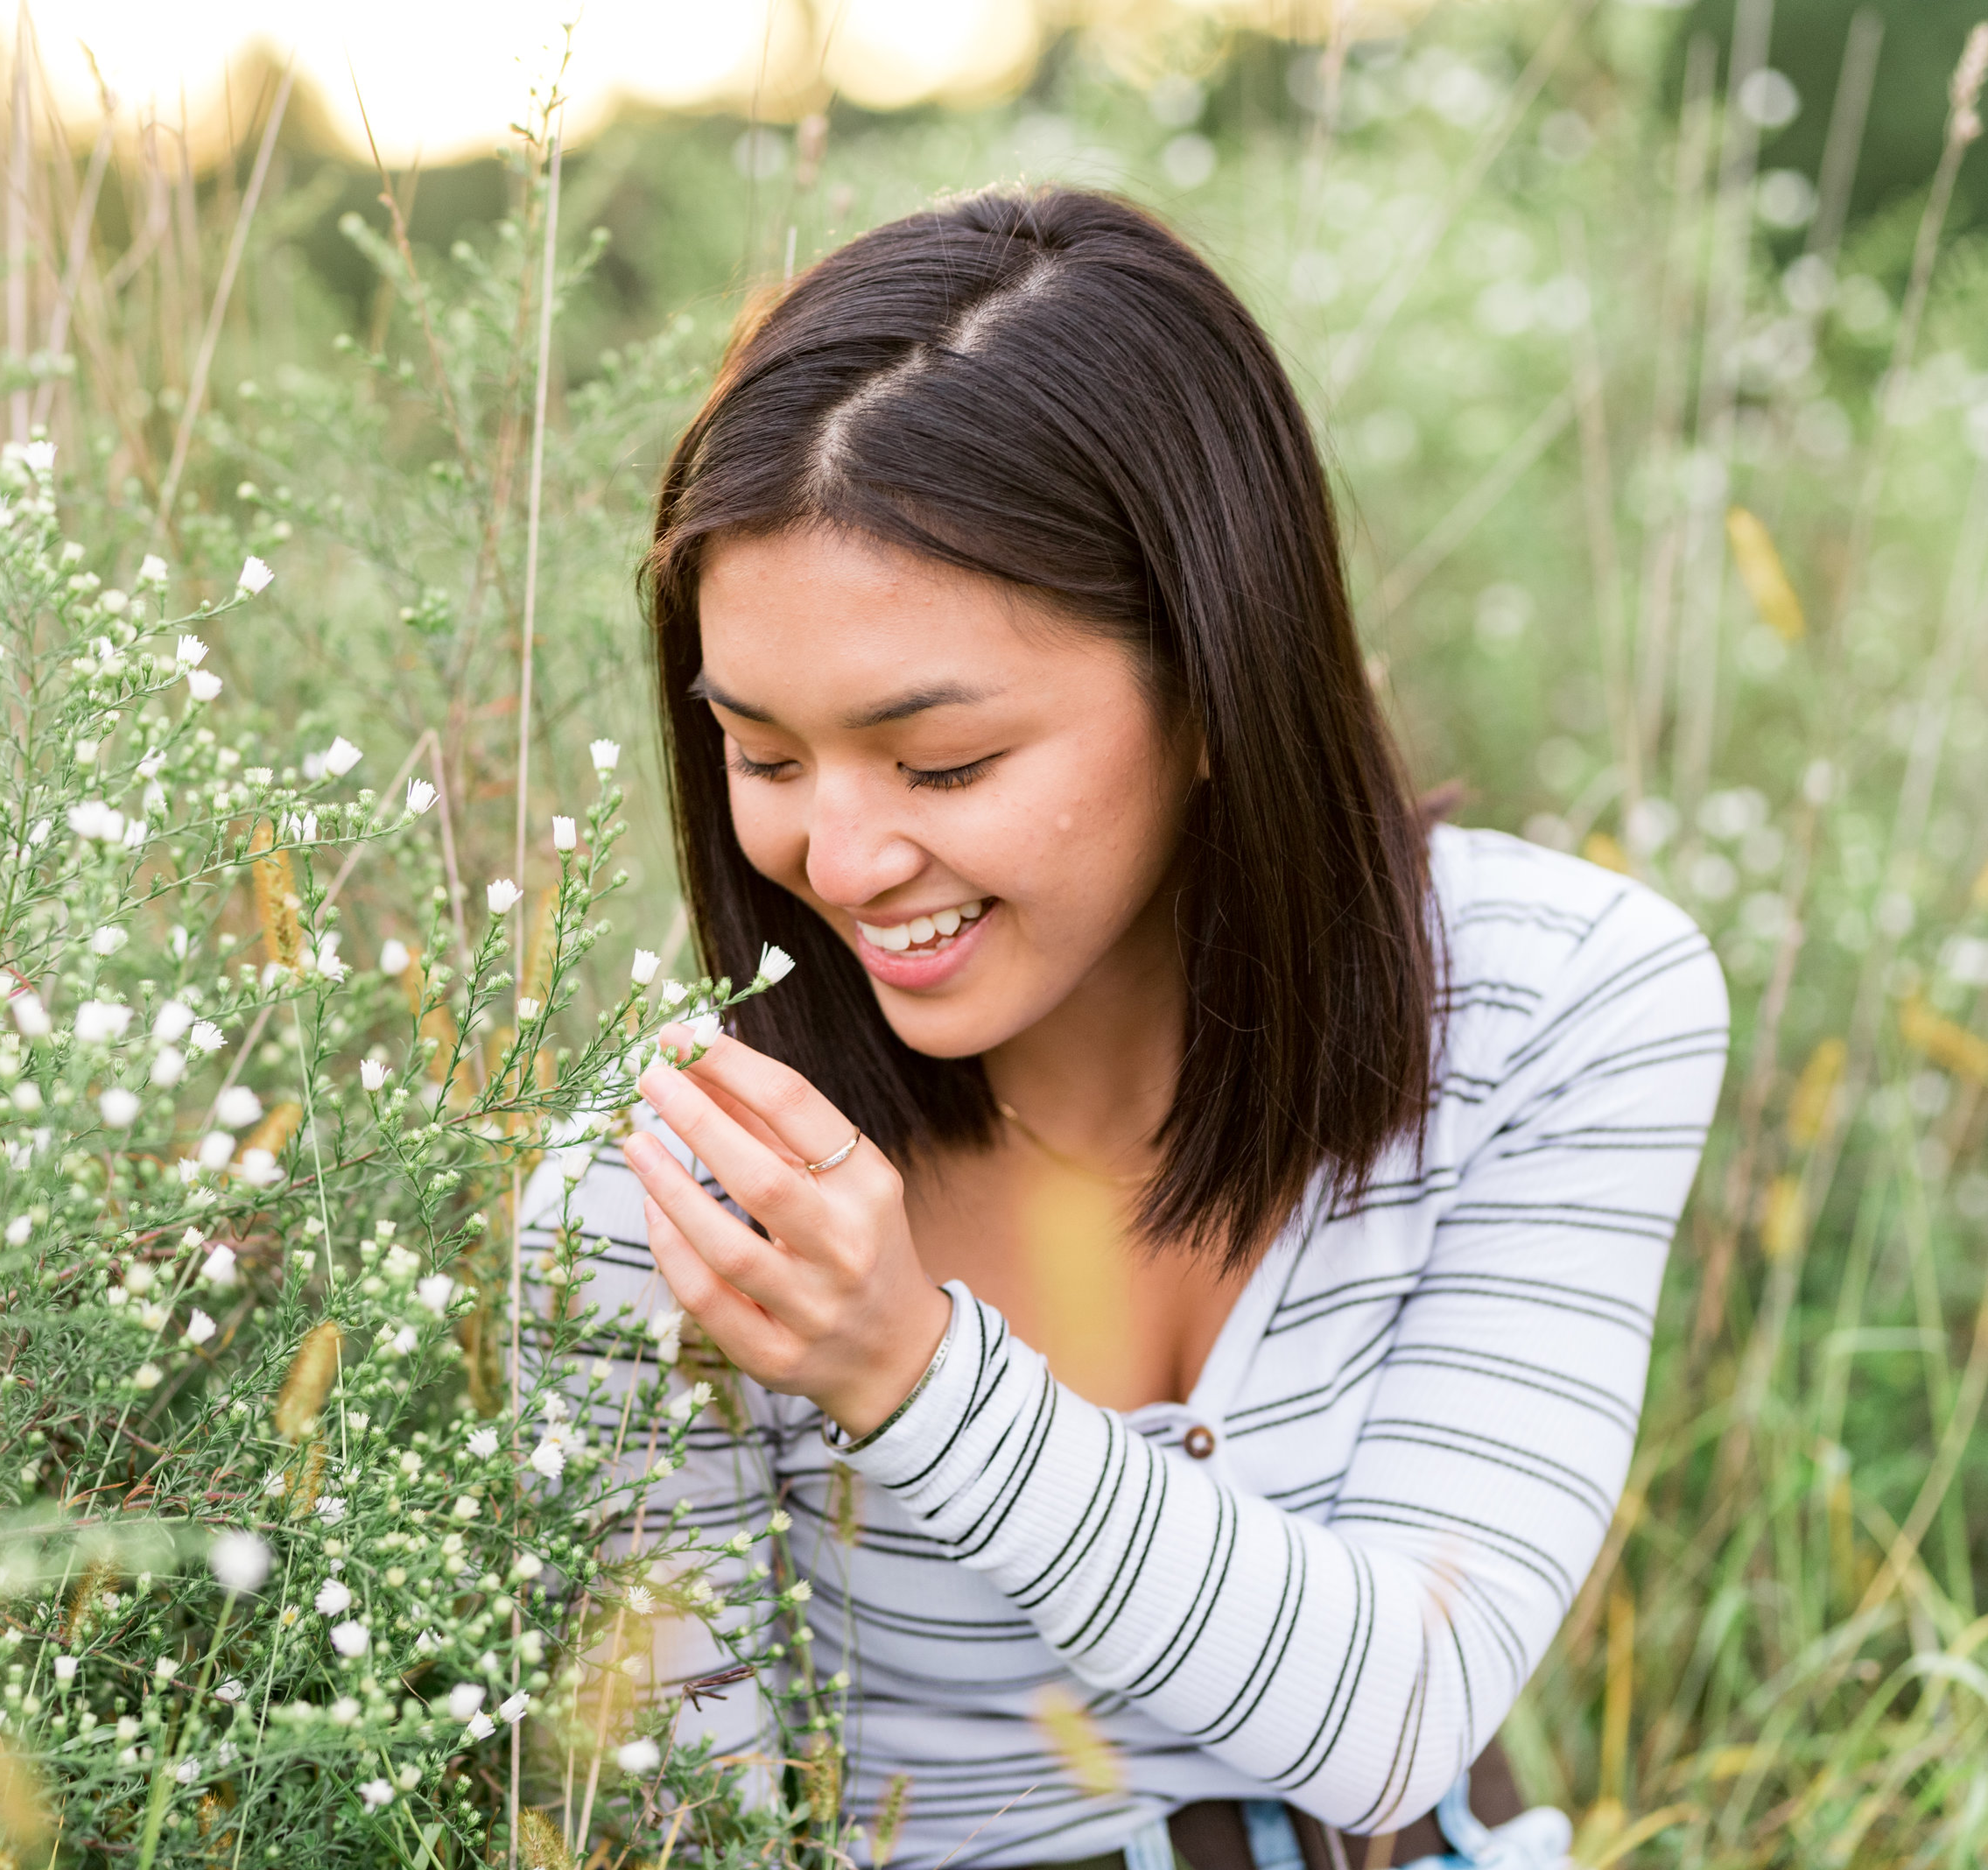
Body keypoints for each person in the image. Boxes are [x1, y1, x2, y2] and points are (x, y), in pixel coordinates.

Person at [521, 188, 1731, 1870]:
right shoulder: (667, 1194)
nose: (844, 861)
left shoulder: (1564, 999)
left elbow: (1398, 1715)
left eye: (942, 764)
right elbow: (669, 1826)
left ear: (1222, 680)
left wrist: (914, 1378)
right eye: (767, 757)